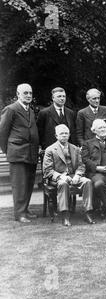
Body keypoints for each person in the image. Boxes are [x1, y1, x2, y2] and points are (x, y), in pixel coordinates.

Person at [0, 83, 39, 223]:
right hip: (17, 154)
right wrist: (9, 150)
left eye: (30, 93)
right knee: (19, 185)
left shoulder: (31, 110)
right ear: (18, 94)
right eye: (25, 93)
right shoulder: (10, 109)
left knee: (28, 184)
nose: (28, 95)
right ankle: (19, 214)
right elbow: (2, 133)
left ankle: (25, 209)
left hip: (31, 153)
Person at [42, 124, 95, 226]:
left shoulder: (75, 148)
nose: (64, 135)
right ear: (56, 136)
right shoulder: (50, 150)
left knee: (87, 181)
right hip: (58, 177)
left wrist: (77, 175)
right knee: (63, 184)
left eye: (66, 133)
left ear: (69, 135)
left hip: (73, 175)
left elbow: (81, 165)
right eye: (61, 133)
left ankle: (87, 212)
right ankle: (65, 215)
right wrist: (61, 176)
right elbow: (48, 170)